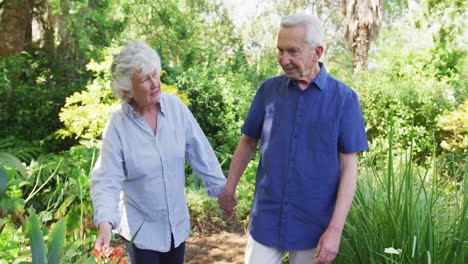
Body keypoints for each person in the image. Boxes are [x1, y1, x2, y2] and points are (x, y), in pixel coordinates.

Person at [218, 13, 368, 264]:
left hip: (315, 225)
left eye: (292, 52)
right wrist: (229, 187)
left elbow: (348, 167)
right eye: (280, 50)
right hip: (266, 217)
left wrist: (335, 230)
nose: (283, 59)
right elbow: (248, 142)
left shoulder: (344, 100)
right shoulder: (268, 91)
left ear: (317, 52)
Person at [90, 41, 226, 264]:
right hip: (141, 231)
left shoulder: (175, 108)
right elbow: (106, 179)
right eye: (145, 79)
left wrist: (222, 191)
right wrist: (105, 224)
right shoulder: (118, 125)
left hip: (176, 227)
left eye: (155, 74)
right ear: (127, 90)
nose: (155, 83)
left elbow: (201, 152)